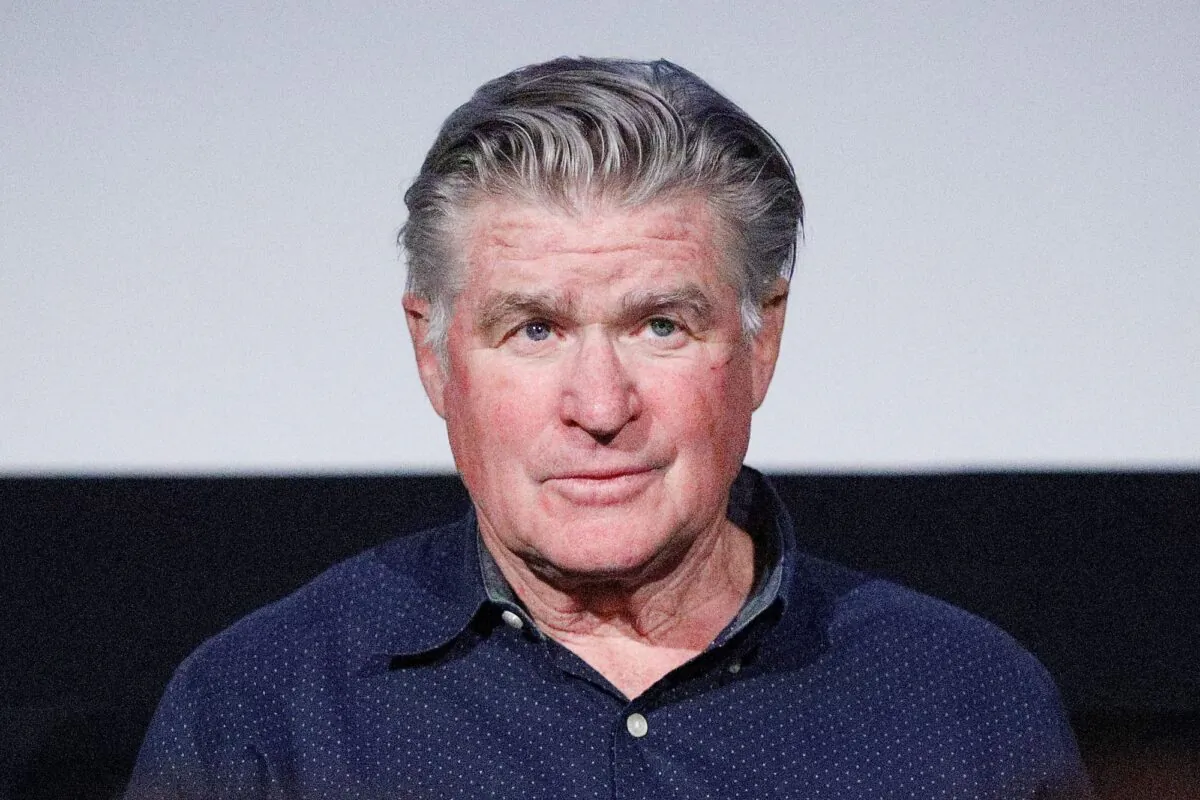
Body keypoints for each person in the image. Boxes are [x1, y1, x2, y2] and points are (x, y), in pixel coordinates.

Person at [125, 57, 1091, 799]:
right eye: (534, 328)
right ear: (433, 351)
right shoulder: (262, 714)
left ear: (762, 343)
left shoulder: (967, 705)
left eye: (660, 325)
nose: (599, 406)